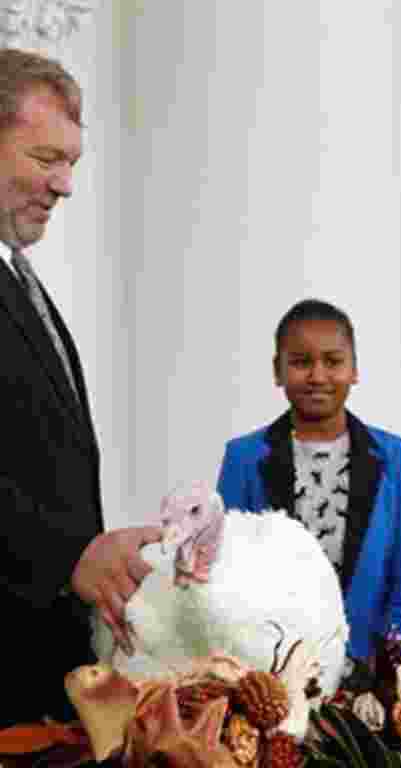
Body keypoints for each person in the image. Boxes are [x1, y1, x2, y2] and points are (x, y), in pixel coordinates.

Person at [0, 48, 162, 727]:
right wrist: (67, 558)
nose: (64, 185)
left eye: (72, 164)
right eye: (45, 159)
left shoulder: (21, 278)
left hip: (40, 679)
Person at [216, 299, 401, 664]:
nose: (318, 376)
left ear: (354, 369)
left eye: (333, 362)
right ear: (278, 370)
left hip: (370, 672)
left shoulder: (394, 457)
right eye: (301, 362)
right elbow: (227, 572)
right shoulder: (244, 459)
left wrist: (395, 648)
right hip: (271, 675)